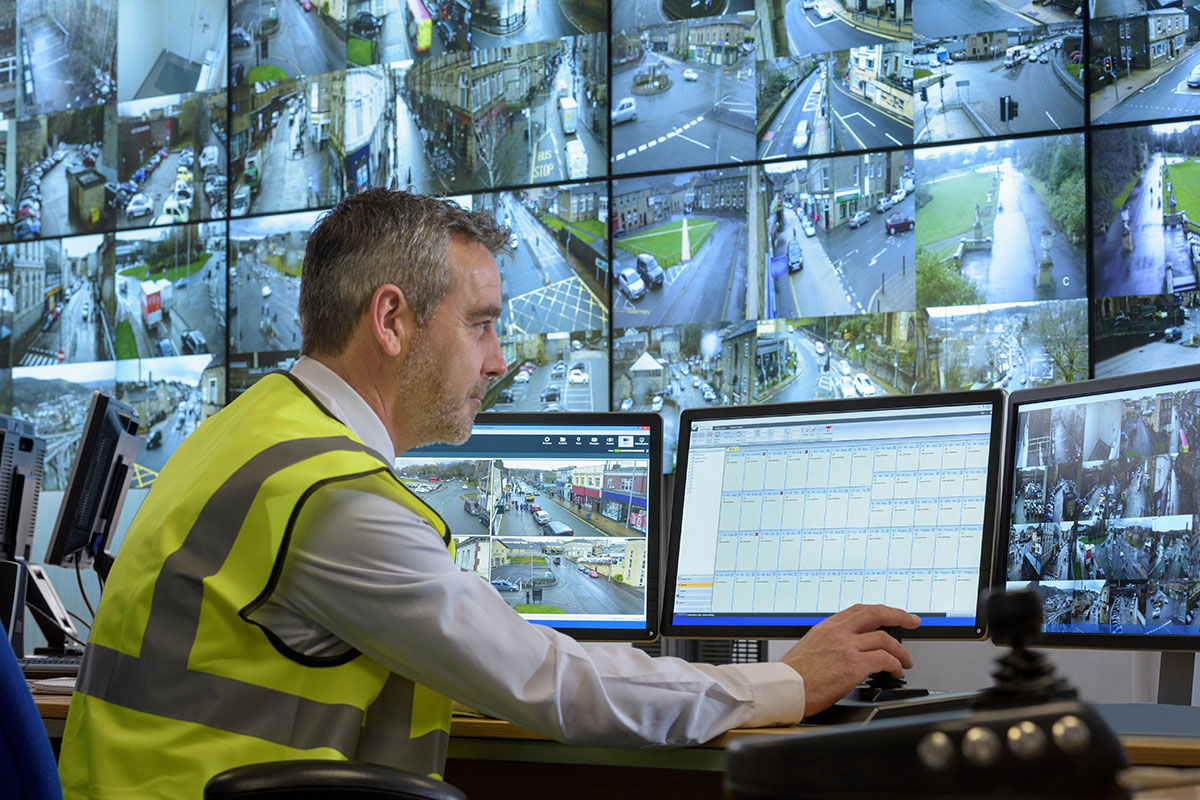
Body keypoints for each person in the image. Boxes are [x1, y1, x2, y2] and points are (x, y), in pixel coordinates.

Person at [57, 190, 919, 797]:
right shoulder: (332, 499)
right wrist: (786, 683)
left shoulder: (252, 430)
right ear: (391, 322)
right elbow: (551, 683)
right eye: (481, 323)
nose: (499, 359)